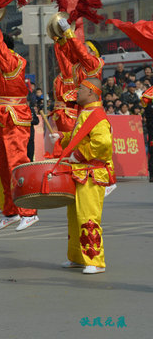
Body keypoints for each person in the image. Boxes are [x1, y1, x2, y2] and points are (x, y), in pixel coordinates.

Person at [0, 0, 38, 231]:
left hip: (16, 118)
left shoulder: (11, 61)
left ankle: (29, 211)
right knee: (4, 167)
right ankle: (11, 211)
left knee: (17, 164)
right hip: (5, 119)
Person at [51, 78, 114, 274]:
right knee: (75, 217)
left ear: (91, 92)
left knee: (88, 217)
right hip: (80, 172)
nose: (76, 91)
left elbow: (102, 144)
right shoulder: (86, 113)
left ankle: (95, 261)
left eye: (80, 88)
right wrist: (63, 138)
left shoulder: (97, 116)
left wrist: (77, 154)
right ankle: (78, 257)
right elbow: (80, 137)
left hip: (92, 173)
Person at [57, 17, 103, 85]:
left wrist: (68, 31)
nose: (82, 47)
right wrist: (62, 40)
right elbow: (71, 54)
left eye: (85, 46)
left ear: (93, 53)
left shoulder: (94, 63)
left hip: (89, 94)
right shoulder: (81, 63)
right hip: (81, 93)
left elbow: (80, 50)